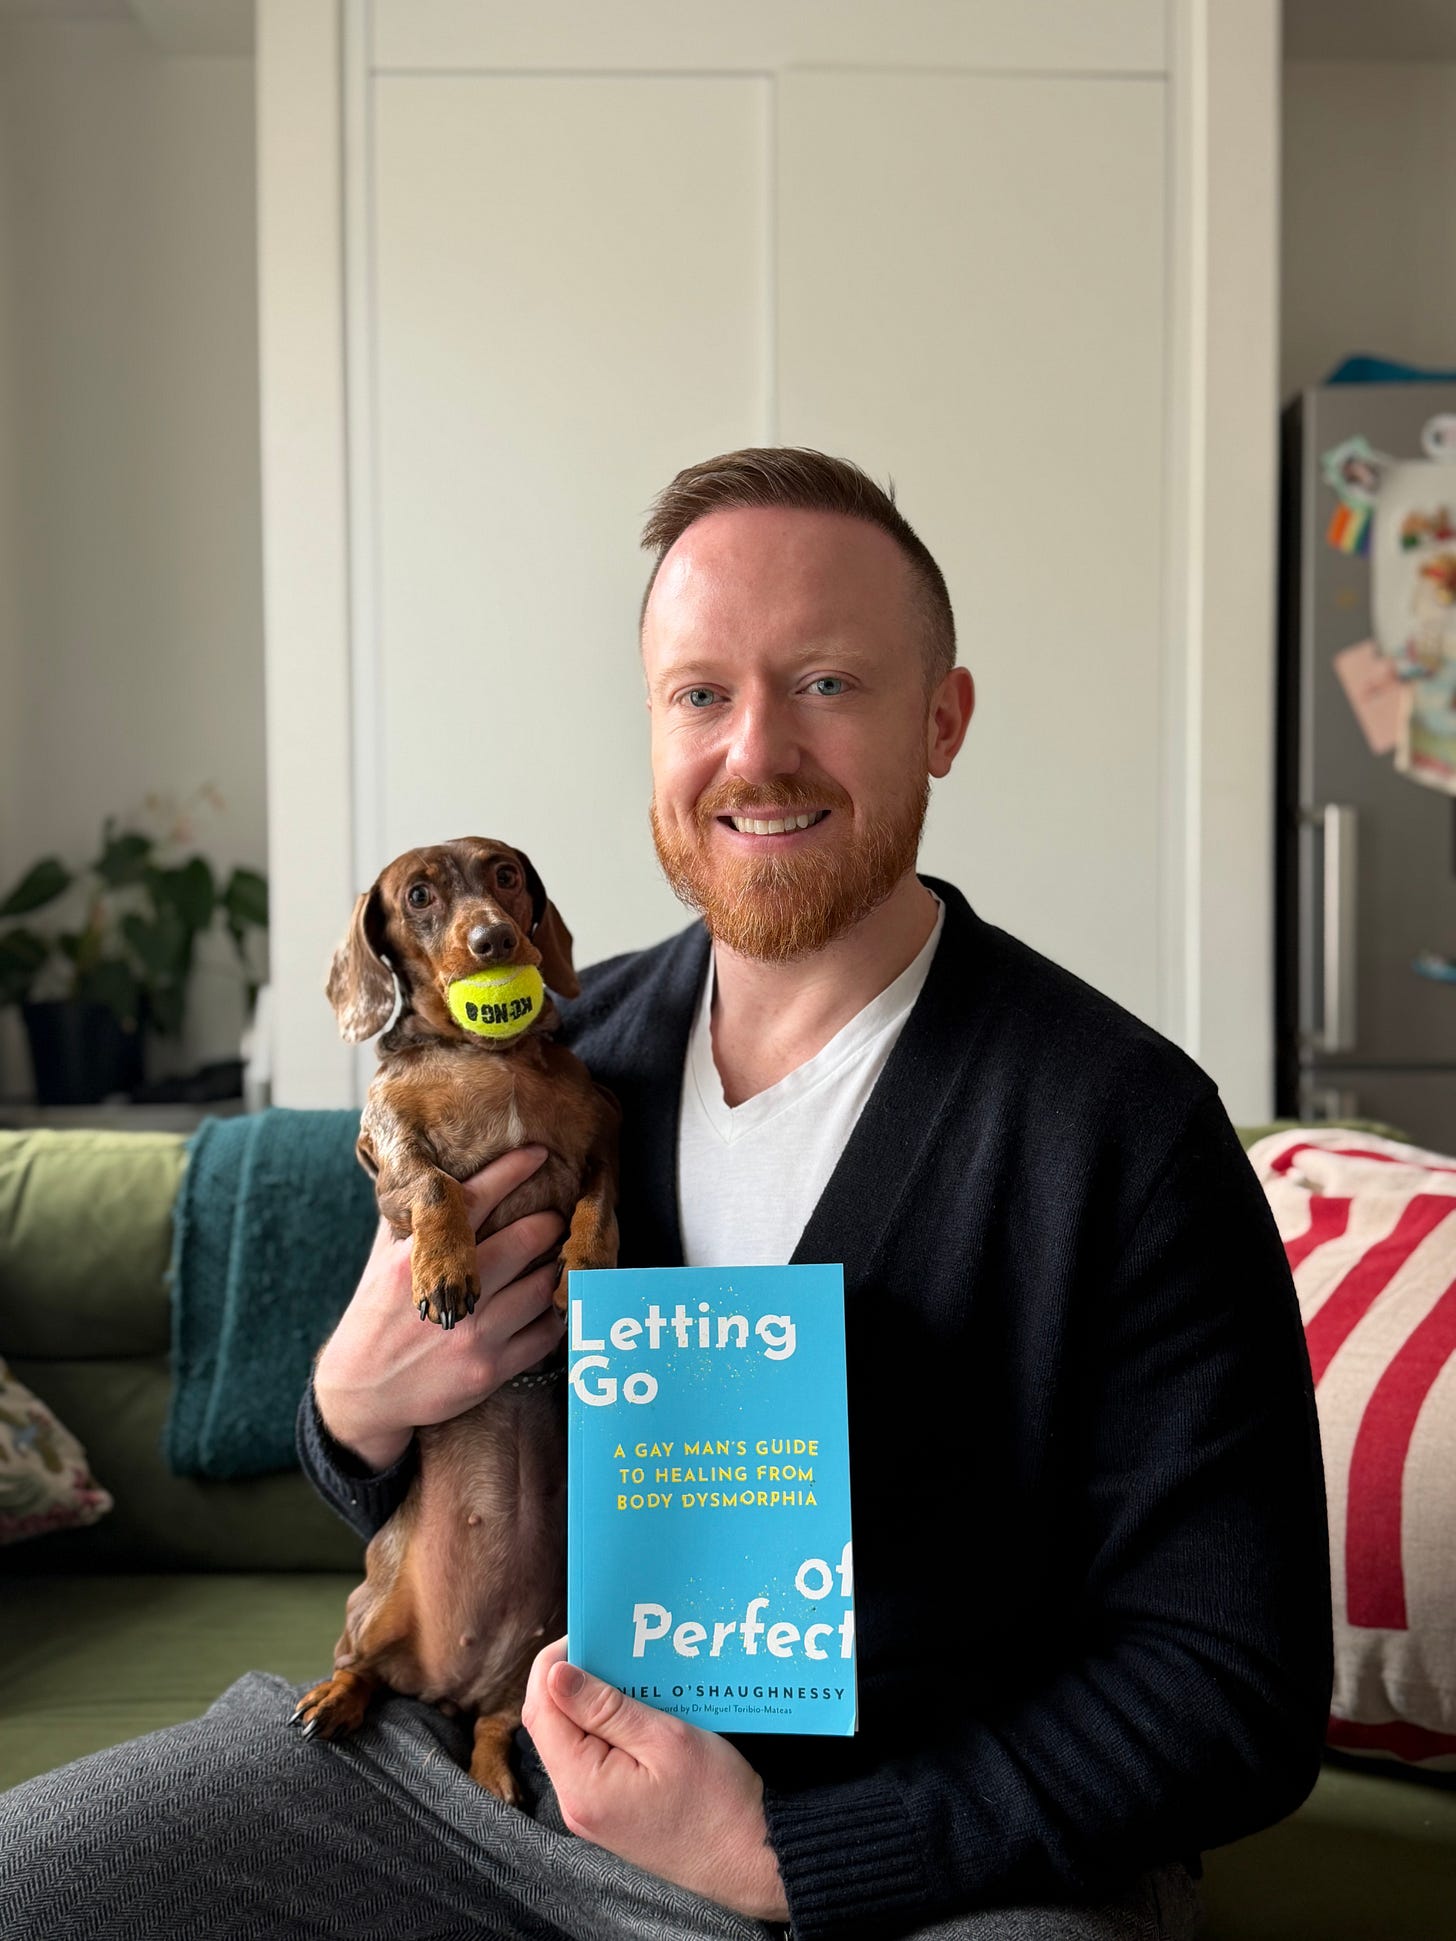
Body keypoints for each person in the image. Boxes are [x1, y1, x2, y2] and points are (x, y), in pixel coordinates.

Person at [0, 449, 1332, 1941]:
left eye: (826, 681)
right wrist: (351, 1406)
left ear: (942, 721)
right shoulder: (562, 1061)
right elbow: (427, 1474)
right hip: (486, 1798)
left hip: (908, 1866)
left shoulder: (1124, 1128)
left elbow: (1238, 1690)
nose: (755, 751)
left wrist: (793, 1855)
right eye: (701, 693)